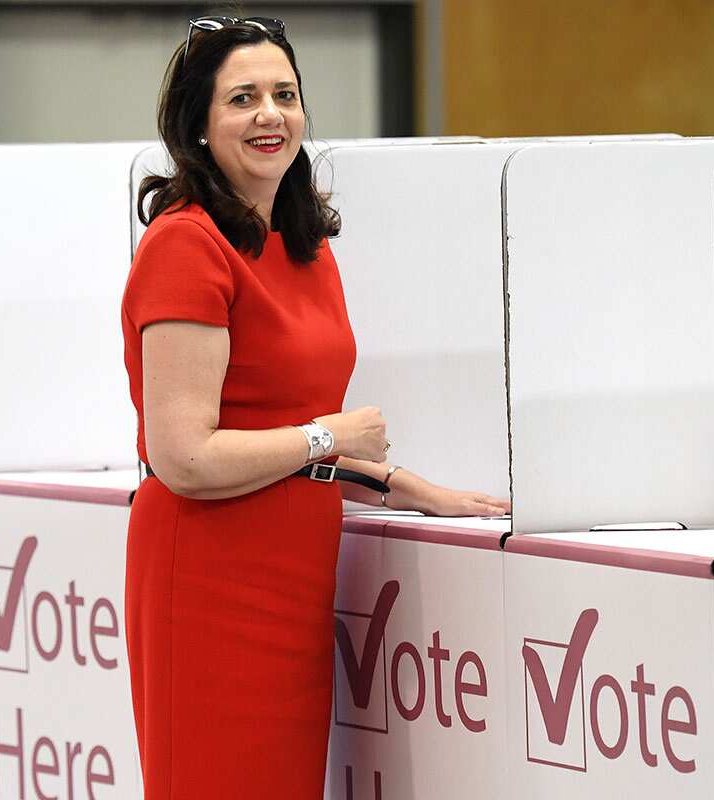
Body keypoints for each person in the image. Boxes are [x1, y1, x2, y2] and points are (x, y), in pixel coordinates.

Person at [120, 16, 511, 798]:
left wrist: (399, 484)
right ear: (196, 126)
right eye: (243, 98)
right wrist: (327, 435)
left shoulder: (304, 244)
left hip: (295, 567)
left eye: (285, 94)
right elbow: (185, 457)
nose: (270, 114)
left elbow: (296, 420)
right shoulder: (185, 246)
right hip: (207, 572)